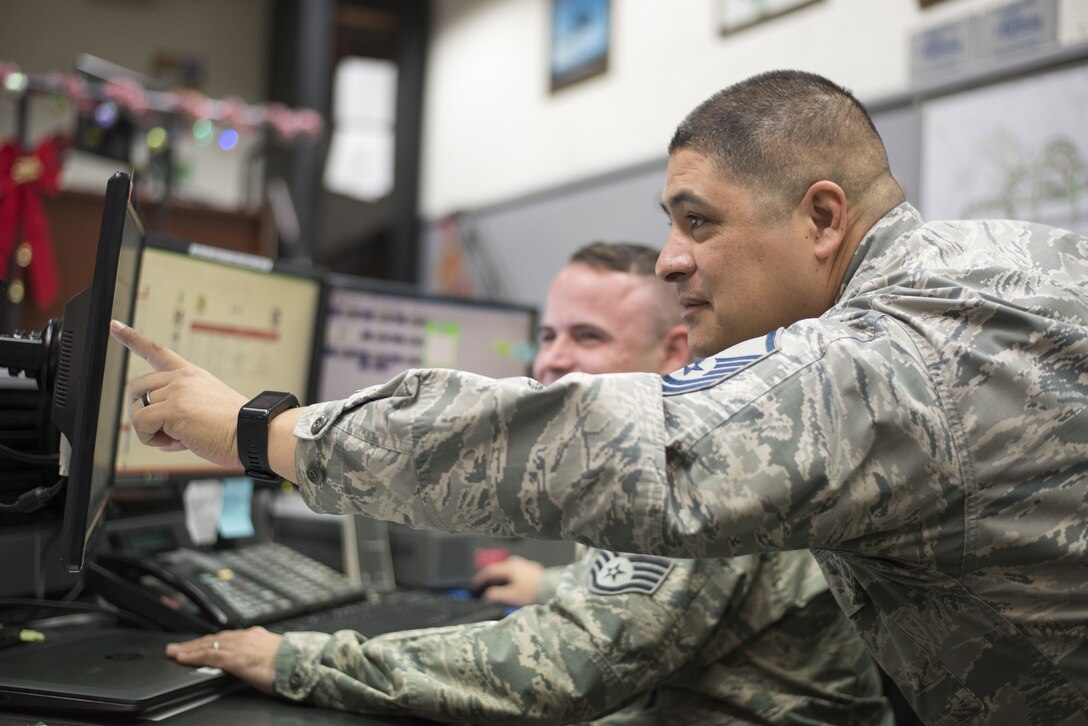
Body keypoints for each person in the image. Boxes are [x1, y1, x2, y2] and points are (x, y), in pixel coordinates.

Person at [113, 69, 1088, 725]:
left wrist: (263, 430)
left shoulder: (886, 360)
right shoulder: (1008, 263)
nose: (672, 259)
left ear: (821, 216)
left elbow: (630, 454)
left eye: (697, 223)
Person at [155, 242, 893, 724]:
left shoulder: (698, 462)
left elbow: (552, 674)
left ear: (674, 349)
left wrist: (295, 660)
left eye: (588, 338)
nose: (551, 363)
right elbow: (663, 615)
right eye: (547, 335)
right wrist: (556, 590)